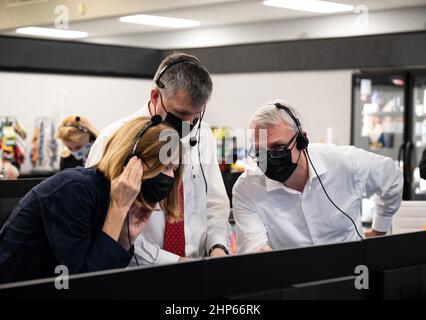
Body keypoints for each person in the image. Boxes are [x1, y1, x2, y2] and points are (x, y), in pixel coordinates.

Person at [86, 52, 230, 265]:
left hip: (197, 268)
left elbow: (215, 203)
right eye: (181, 114)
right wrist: (172, 261)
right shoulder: (114, 138)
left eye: (197, 116)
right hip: (138, 272)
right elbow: (105, 223)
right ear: (155, 96)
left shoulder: (203, 135)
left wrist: (218, 247)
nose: (188, 125)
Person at [0, 117, 181, 284]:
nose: (170, 177)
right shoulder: (74, 189)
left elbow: (105, 278)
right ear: (131, 159)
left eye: (174, 168)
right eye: (166, 166)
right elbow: (82, 284)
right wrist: (117, 211)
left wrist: (126, 239)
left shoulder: (110, 196)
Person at [233, 100, 403, 254]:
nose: (268, 158)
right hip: (291, 280)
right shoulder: (248, 188)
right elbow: (254, 247)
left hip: (352, 274)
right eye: (260, 152)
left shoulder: (346, 162)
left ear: (302, 140)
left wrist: (379, 231)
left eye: (278, 147)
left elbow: (392, 176)